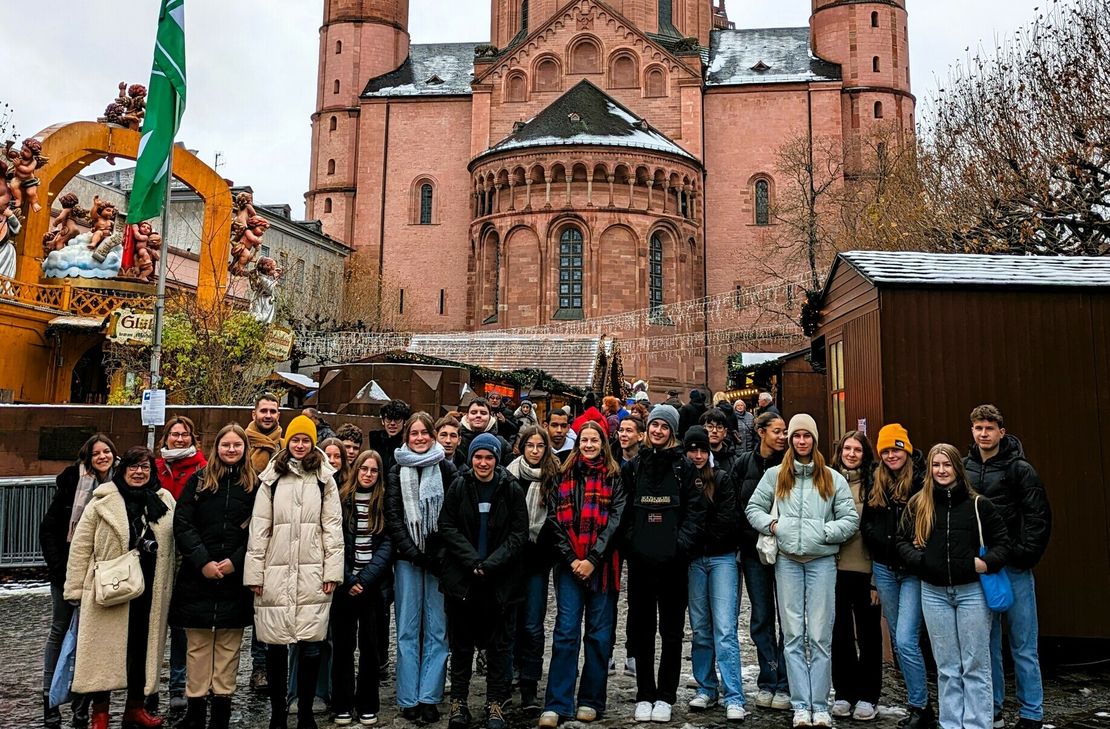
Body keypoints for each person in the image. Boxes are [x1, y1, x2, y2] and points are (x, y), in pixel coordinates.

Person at [745, 414, 858, 728]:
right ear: (791, 440)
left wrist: (822, 533)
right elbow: (753, 509)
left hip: (821, 562)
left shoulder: (833, 478)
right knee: (793, 635)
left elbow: (849, 520)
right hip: (788, 562)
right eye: (796, 436)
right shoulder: (775, 476)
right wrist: (775, 525)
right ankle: (799, 705)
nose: (801, 441)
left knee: (820, 635)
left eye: (807, 436)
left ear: (815, 440)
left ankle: (819, 704)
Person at [899, 444, 1011, 729]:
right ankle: (950, 723)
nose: (941, 470)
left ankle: (976, 724)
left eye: (947, 464)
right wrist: (921, 562)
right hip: (933, 593)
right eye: (936, 465)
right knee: (947, 667)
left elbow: (1002, 543)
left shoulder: (978, 505)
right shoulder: (919, 504)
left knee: (975, 664)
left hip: (971, 591)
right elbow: (900, 541)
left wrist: (985, 564)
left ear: (957, 469)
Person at [64, 446, 176, 729]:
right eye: (133, 467)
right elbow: (80, 547)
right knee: (103, 653)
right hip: (108, 588)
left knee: (140, 651)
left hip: (148, 589)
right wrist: (76, 589)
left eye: (145, 468)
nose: (139, 472)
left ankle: (135, 708)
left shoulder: (164, 500)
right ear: (123, 470)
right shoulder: (102, 500)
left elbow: (176, 545)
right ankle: (100, 714)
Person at [245, 415, 345, 729]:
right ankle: (278, 713)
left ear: (312, 442)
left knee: (310, 644)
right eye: (295, 440)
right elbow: (259, 528)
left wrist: (333, 571)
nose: (300, 445)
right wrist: (255, 574)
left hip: (312, 569)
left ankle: (303, 711)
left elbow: (332, 529)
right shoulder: (271, 476)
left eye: (305, 440)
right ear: (287, 441)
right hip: (275, 568)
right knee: (275, 644)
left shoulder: (323, 478)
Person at [963, 405, 1051, 729]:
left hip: (1013, 568)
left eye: (989, 427)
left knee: (1023, 643)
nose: (983, 433)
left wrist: (1023, 554)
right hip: (982, 568)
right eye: (978, 428)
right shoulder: (964, 467)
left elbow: (1038, 516)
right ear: (972, 431)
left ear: (1001, 431)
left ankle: (1032, 713)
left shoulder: (1020, 469)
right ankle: (993, 708)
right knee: (988, 645)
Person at [621, 404, 706, 723]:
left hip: (673, 564)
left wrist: (678, 546)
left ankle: (666, 696)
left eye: (664, 427)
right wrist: (634, 543)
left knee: (671, 632)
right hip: (642, 562)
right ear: (648, 430)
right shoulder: (635, 467)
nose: (658, 431)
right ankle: (645, 693)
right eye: (654, 425)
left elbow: (695, 513)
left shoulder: (684, 468)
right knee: (642, 631)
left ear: (672, 432)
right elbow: (625, 511)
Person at [170, 424, 258, 729]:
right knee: (197, 648)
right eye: (226, 445)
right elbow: (183, 524)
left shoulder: (253, 486)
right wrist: (203, 561)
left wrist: (234, 562)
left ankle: (221, 710)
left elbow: (259, 532)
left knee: (228, 649)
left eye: (237, 445)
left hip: (234, 579)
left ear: (245, 449)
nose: (231, 450)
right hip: (199, 577)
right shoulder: (198, 481)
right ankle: (195, 710)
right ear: (216, 447)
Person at [539, 421, 626, 728]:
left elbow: (616, 520)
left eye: (595, 440)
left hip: (602, 566)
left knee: (599, 636)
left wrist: (592, 558)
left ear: (603, 443)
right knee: (565, 633)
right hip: (569, 565)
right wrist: (573, 558)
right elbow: (554, 520)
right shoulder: (563, 474)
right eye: (585, 440)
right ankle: (558, 702)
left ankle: (591, 699)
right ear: (578, 444)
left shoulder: (615, 477)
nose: (589, 445)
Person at [439, 433, 528, 729]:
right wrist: (472, 561)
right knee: (462, 646)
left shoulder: (510, 489)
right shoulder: (460, 486)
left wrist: (490, 564)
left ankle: (495, 704)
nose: (483, 462)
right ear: (472, 458)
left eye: (489, 457)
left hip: (499, 580)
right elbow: (447, 526)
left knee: (499, 647)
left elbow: (519, 534)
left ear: (496, 459)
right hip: (463, 579)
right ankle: (459, 703)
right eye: (478, 457)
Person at [40, 435, 117, 729]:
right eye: (96, 452)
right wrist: (61, 571)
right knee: (59, 631)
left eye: (107, 451)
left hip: (101, 576)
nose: (102, 456)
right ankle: (50, 698)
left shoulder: (120, 484)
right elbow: (49, 530)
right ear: (87, 456)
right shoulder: (73, 482)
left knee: (91, 638)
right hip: (67, 572)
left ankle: (82, 704)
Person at [385, 412, 457, 722]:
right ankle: (408, 696)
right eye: (413, 433)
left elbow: (452, 515)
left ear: (432, 435)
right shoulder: (395, 470)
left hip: (439, 560)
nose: (418, 438)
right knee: (407, 629)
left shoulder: (446, 468)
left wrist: (438, 552)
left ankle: (430, 695)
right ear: (406, 437)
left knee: (438, 629)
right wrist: (415, 553)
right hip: (407, 560)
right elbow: (393, 516)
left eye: (424, 433)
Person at [862, 424, 933, 728]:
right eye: (886, 450)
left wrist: (915, 551)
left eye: (896, 449)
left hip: (913, 571)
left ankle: (921, 707)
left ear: (906, 449)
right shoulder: (876, 482)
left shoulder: (921, 480)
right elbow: (867, 524)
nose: (891, 455)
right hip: (884, 569)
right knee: (898, 636)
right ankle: (918, 703)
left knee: (905, 639)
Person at [683, 426, 747, 722]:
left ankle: (734, 694)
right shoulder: (682, 481)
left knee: (724, 628)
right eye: (692, 449)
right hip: (695, 560)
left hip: (721, 558)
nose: (697, 455)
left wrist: (698, 537)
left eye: (702, 450)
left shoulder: (721, 479)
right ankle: (706, 687)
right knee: (700, 628)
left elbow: (728, 519)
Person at [727, 412, 790, 710]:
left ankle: (787, 682)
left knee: (789, 619)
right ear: (761, 431)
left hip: (788, 552)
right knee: (762, 617)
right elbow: (736, 506)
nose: (782, 436)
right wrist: (747, 537)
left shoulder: (790, 464)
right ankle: (768, 677)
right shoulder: (743, 464)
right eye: (777, 431)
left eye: (785, 431)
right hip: (754, 553)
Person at [332, 450, 394, 727]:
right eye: (363, 469)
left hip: (372, 586)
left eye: (374, 470)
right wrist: (348, 578)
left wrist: (365, 579)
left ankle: (368, 703)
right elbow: (334, 541)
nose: (368, 474)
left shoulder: (384, 503)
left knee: (371, 648)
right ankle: (342, 703)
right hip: (345, 584)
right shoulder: (341, 500)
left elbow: (387, 545)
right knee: (343, 647)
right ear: (355, 470)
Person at [505, 426, 562, 715]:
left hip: (538, 561)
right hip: (509, 561)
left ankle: (529, 683)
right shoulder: (510, 475)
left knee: (532, 624)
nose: (535, 451)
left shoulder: (555, 477)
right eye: (531, 445)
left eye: (540, 446)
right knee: (509, 623)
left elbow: (556, 520)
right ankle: (506, 678)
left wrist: (543, 548)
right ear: (522, 447)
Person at [155, 415, 208, 712]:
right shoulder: (156, 467)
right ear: (166, 438)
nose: (179, 439)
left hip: (188, 552)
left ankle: (179, 683)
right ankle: (149, 685)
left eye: (184, 434)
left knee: (181, 624)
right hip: (159, 551)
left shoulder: (201, 468)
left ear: (192, 438)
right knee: (154, 621)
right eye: (174, 434)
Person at [829, 431, 881, 722]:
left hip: (865, 570)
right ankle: (844, 693)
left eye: (857, 449)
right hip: (834, 570)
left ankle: (868, 695)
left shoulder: (873, 485)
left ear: (865, 454)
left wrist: (876, 578)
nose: (851, 453)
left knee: (869, 634)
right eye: (847, 448)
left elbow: (876, 532)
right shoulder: (829, 482)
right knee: (840, 635)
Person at [245, 393, 283, 691]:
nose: (268, 415)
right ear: (254, 412)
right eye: (264, 411)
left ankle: (273, 667)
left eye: (273, 411)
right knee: (257, 604)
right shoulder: (241, 443)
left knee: (274, 603)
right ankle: (258, 665)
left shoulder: (286, 445)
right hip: (248, 532)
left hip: (280, 535)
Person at [460, 398, 512, 465]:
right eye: (474, 412)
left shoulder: (502, 444)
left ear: (490, 418)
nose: (478, 415)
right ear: (467, 417)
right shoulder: (456, 441)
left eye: (483, 413)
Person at [369, 399, 411, 478]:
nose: (392, 424)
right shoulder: (375, 440)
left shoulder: (408, 444)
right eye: (388, 419)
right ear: (382, 421)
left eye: (397, 419)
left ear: (404, 421)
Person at [700, 408, 739, 474]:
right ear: (703, 429)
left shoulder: (734, 461)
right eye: (710, 427)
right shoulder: (698, 458)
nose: (714, 431)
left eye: (719, 427)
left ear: (725, 432)